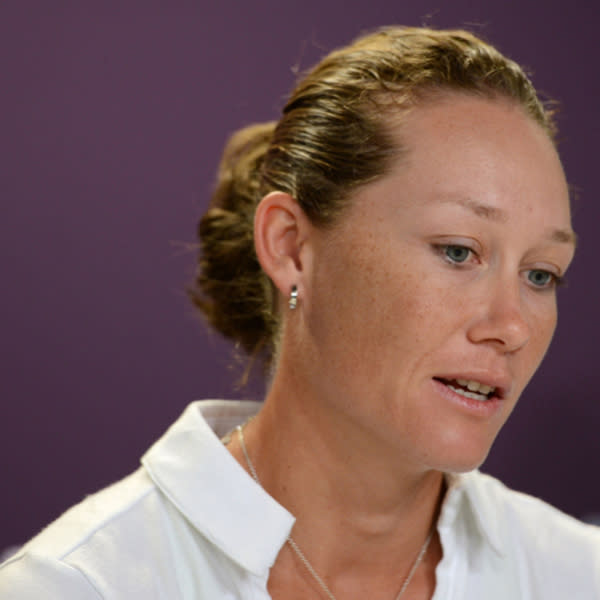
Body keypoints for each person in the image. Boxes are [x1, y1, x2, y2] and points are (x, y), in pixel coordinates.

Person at [1, 25, 599, 600]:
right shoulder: (76, 586)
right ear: (291, 246)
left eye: (541, 274)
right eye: (458, 251)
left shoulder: (579, 576)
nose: (512, 326)